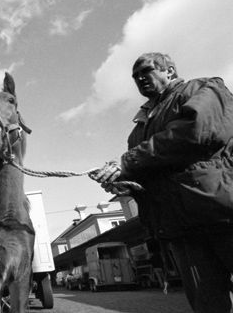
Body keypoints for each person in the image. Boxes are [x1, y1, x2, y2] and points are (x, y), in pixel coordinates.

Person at [90, 52, 233, 313]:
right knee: (207, 305)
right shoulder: (138, 130)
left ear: (170, 70)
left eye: (146, 71)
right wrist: (122, 182)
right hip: (181, 229)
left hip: (222, 212)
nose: (140, 78)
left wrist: (128, 162)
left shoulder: (202, 88)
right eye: (135, 77)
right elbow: (145, 170)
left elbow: (197, 130)